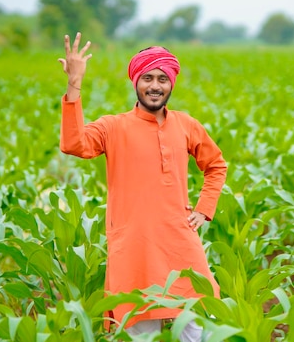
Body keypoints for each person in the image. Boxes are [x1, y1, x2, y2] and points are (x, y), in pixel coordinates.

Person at [58, 33, 227, 339]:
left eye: (163, 78)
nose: (155, 85)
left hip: (179, 243)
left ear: (171, 83)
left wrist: (204, 209)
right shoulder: (113, 126)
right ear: (135, 81)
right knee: (141, 328)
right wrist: (74, 84)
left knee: (196, 324)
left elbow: (216, 165)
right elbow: (74, 144)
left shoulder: (186, 124)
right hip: (134, 246)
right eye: (147, 77)